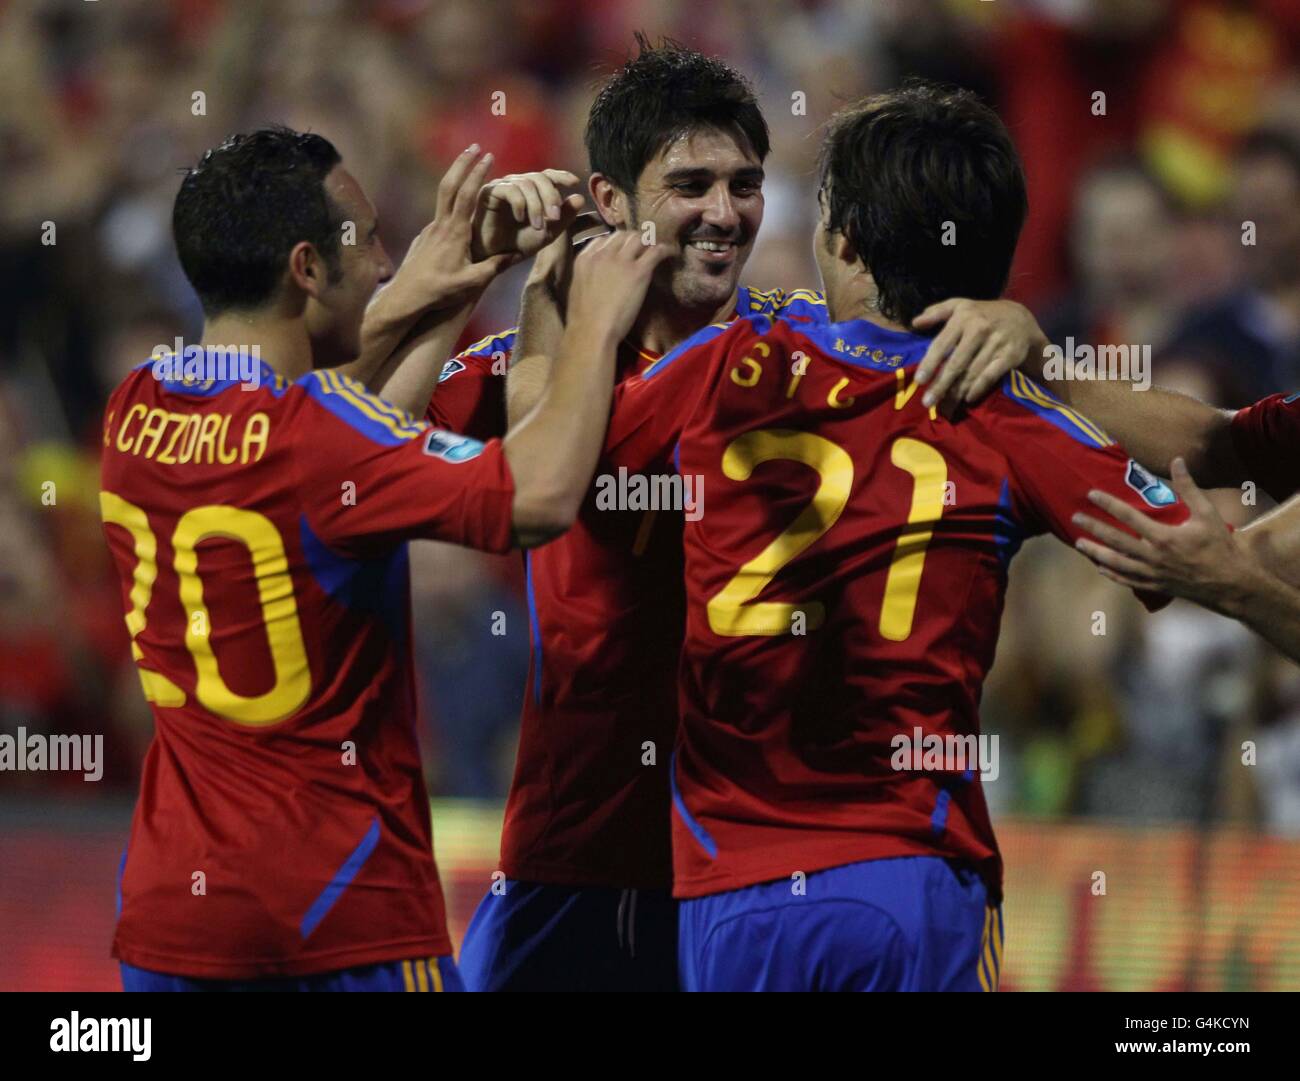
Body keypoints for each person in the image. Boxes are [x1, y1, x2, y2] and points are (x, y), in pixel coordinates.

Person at [371, 37, 1047, 992]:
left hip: (760, 876)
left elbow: (962, 368)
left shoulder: (807, 352)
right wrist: (467, 272)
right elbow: (345, 454)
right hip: (578, 858)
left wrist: (1019, 328)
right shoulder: (524, 364)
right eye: (690, 184)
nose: (724, 215)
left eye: (745, 183)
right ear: (610, 203)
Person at [562, 80, 1189, 991]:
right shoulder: (1005, 409)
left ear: (843, 240)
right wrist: (1042, 361)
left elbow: (565, 467)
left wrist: (573, 301)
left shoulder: (732, 356)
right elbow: (1179, 550)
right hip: (911, 874)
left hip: (737, 893)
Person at [101, 127, 670, 991]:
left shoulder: (134, 408)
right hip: (343, 912)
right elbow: (541, 494)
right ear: (306, 266)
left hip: (172, 919)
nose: (381, 261)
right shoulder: (318, 438)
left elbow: (337, 454)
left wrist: (440, 296)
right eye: (364, 241)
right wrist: (591, 322)